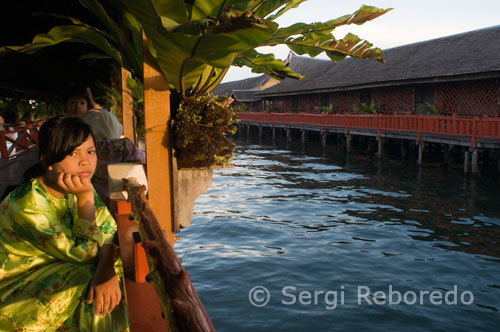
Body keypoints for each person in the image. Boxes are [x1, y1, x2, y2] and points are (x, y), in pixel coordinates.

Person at [0, 115, 130, 331]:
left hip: (55, 269)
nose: (85, 161)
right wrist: (86, 199)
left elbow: (109, 229)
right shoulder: (28, 205)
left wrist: (105, 268)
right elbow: (85, 255)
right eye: (73, 153)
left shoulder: (74, 184)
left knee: (105, 277)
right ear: (47, 161)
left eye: (90, 151)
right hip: (18, 282)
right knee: (90, 282)